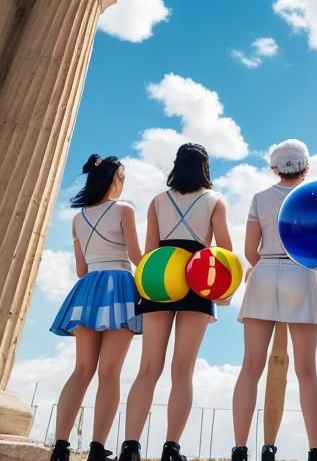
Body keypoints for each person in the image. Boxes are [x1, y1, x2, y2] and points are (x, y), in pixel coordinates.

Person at [120, 144, 233, 461]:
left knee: (147, 369)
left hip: (158, 277)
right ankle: (171, 448)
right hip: (196, 280)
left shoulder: (158, 201)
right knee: (182, 371)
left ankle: (130, 447)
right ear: (205, 168)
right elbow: (224, 250)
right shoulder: (214, 202)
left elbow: (148, 250)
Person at [232, 140, 317, 461]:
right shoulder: (314, 197)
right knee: (307, 371)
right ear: (306, 167)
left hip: (264, 271)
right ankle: (315, 450)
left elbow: (249, 250)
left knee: (250, 367)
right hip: (301, 273)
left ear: (274, 168)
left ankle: (240, 448)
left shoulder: (259, 198)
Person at [49, 155, 143, 461]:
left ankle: (60, 447)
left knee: (81, 370)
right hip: (119, 286)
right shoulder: (124, 210)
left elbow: (80, 268)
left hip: (87, 289)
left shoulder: (78, 218)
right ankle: (97, 449)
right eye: (123, 177)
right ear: (114, 179)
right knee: (110, 373)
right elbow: (138, 258)